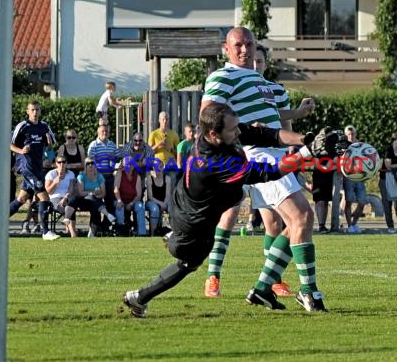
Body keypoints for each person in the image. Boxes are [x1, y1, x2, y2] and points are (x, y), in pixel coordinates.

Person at [122, 103, 333, 318]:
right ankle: (138, 297)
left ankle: (172, 245)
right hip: (194, 223)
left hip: (186, 201)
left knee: (237, 195)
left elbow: (264, 134)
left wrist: (307, 140)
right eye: (233, 129)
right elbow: (269, 173)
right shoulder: (213, 162)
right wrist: (309, 151)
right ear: (213, 134)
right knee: (189, 262)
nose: (238, 131)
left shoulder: (221, 134)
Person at [200, 27, 323, 311]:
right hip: (255, 155)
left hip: (274, 155)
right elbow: (208, 116)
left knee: (292, 223)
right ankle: (309, 292)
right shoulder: (222, 76)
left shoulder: (265, 84)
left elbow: (277, 120)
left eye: (250, 45)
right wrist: (232, 145)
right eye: (239, 45)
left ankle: (263, 288)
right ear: (226, 48)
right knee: (301, 215)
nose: (245, 50)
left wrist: (299, 126)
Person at [9, 101, 59, 241]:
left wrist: (48, 145)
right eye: (32, 110)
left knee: (21, 199)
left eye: (37, 109)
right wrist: (21, 150)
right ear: (27, 111)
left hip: (37, 167)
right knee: (44, 197)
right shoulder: (22, 126)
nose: (35, 112)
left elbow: (49, 149)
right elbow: (9, 144)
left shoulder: (44, 127)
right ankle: (45, 232)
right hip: (26, 167)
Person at [66, 157, 117, 237]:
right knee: (92, 199)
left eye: (92, 163)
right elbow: (81, 193)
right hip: (83, 201)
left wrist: (95, 195)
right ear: (85, 166)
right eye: (88, 164)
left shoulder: (99, 176)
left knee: (94, 204)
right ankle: (107, 214)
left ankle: (92, 232)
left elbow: (103, 193)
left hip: (96, 201)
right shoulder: (81, 176)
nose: (90, 165)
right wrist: (93, 193)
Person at [87, 124, 122, 228]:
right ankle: (96, 225)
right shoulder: (93, 145)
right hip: (98, 177)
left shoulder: (112, 144)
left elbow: (118, 157)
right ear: (98, 132)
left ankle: (107, 225)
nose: (104, 133)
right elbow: (89, 161)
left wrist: (116, 160)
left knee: (110, 201)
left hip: (109, 176)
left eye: (106, 131)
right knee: (96, 200)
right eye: (102, 131)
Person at [44, 155, 77, 237]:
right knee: (67, 208)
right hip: (54, 198)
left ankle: (71, 231)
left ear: (66, 163)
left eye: (64, 162)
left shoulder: (70, 174)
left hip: (67, 197)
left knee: (71, 204)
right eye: (59, 162)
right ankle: (73, 233)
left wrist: (66, 197)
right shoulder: (51, 174)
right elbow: (47, 191)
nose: (61, 164)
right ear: (56, 164)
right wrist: (56, 181)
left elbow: (71, 189)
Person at [342, 125, 367, 234]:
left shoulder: (361, 145)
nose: (351, 136)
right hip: (348, 177)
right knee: (349, 201)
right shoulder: (343, 146)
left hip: (360, 177)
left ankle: (354, 223)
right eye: (348, 134)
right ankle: (349, 225)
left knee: (362, 202)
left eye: (352, 134)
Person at [148, 112, 180, 193]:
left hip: (171, 165)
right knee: (158, 190)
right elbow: (148, 152)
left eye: (166, 119)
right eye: (163, 119)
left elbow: (179, 153)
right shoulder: (154, 134)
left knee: (172, 189)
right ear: (159, 120)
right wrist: (159, 144)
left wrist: (170, 149)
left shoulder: (173, 134)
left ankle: (171, 205)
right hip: (158, 166)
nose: (165, 121)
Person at [114, 158, 146, 236]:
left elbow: (138, 195)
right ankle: (121, 231)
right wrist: (119, 200)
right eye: (127, 164)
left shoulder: (137, 177)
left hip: (133, 201)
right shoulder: (119, 173)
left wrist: (131, 204)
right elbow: (116, 189)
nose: (129, 166)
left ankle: (142, 233)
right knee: (119, 207)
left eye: (131, 164)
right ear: (124, 165)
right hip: (121, 199)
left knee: (140, 206)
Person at [145, 162, 171, 236]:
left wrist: (164, 203)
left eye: (160, 166)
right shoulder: (149, 178)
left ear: (163, 167)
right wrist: (161, 204)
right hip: (152, 201)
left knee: (172, 208)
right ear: (153, 168)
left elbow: (168, 195)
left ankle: (174, 233)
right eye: (156, 167)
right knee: (155, 208)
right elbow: (150, 197)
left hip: (165, 201)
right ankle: (153, 233)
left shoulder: (167, 178)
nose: (158, 168)